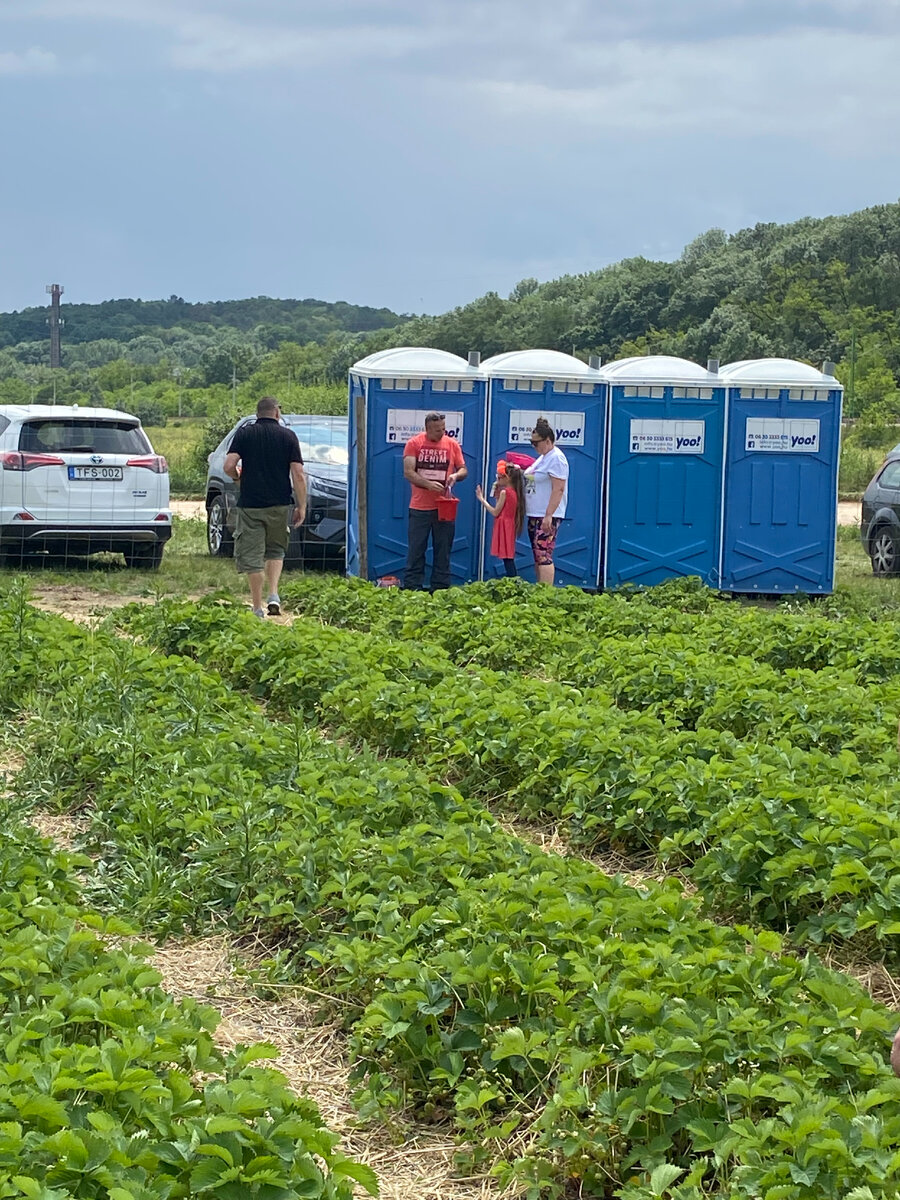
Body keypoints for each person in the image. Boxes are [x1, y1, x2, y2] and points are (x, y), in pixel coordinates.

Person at [223, 396, 307, 618]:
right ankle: (274, 594)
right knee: (276, 550)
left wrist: (237, 477)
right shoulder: (289, 436)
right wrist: (302, 505)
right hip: (280, 503)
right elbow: (298, 475)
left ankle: (257, 607)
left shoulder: (245, 434)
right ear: (277, 413)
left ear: (257, 413)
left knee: (252, 557)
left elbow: (229, 465)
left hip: (251, 504)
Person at [402, 412, 467, 591]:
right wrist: (428, 484)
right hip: (419, 507)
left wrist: (455, 475)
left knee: (443, 550)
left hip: (444, 507)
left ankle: (440, 588)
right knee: (416, 549)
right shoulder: (414, 444)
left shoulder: (452, 444)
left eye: (444, 429)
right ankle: (412, 587)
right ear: (427, 429)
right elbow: (408, 472)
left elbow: (463, 469)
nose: (442, 433)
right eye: (438, 430)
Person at [523, 417, 569, 585]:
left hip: (546, 514)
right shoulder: (543, 457)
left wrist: (549, 515)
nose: (534, 447)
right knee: (537, 554)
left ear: (548, 440)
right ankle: (540, 587)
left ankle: (546, 593)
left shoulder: (556, 458)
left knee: (544, 554)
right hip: (535, 512)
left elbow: (559, 488)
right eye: (532, 443)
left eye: (536, 443)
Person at [476, 459, 525, 577]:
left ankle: (514, 580)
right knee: (508, 556)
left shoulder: (506, 492)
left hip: (504, 525)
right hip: (509, 525)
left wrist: (481, 499)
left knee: (507, 558)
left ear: (507, 478)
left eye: (499, 477)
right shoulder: (515, 491)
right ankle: (513, 579)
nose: (498, 479)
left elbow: (495, 511)